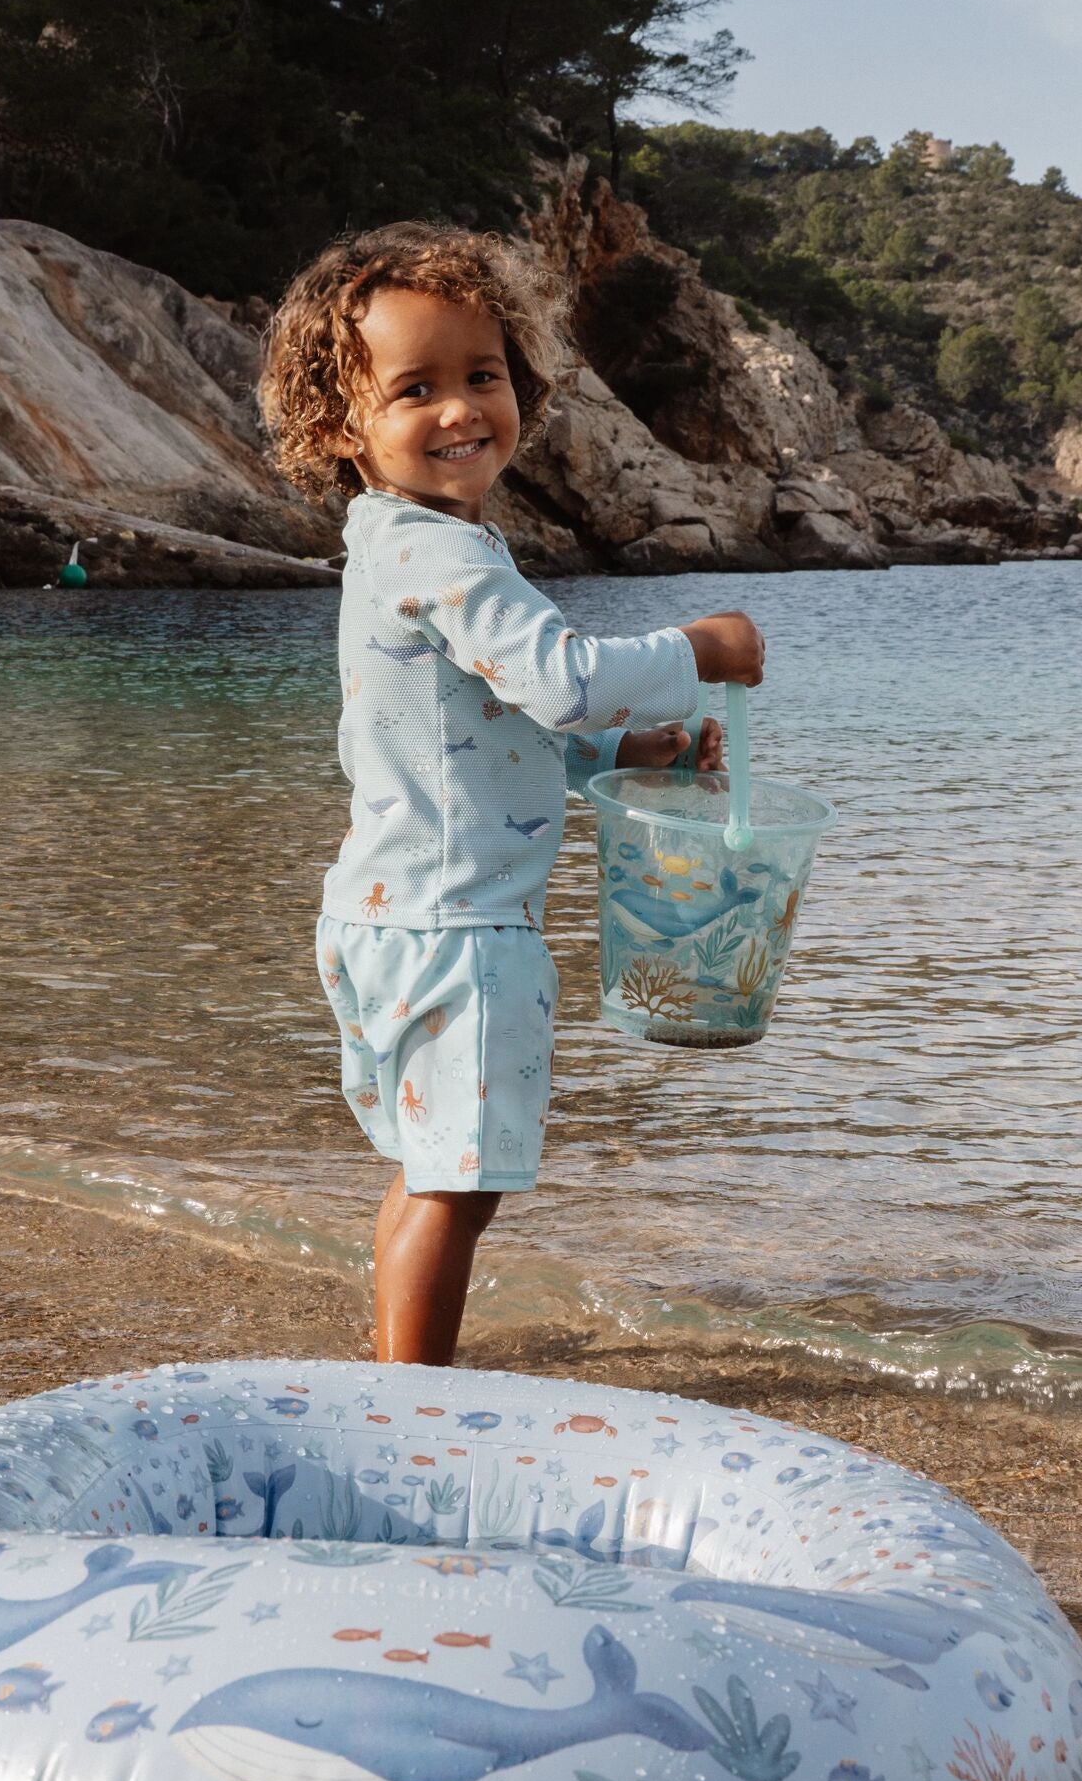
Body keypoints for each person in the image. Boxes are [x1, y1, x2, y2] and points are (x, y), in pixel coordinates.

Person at [261, 222, 765, 1365]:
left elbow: (491, 729)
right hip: (458, 932)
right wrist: (700, 646)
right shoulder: (446, 558)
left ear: (520, 385)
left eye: (480, 375)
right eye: (414, 388)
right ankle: (411, 1401)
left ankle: (393, 1371)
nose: (459, 409)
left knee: (429, 1171)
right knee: (458, 1188)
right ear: (345, 426)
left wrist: (625, 756)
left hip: (385, 917)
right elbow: (560, 679)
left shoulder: (391, 547)